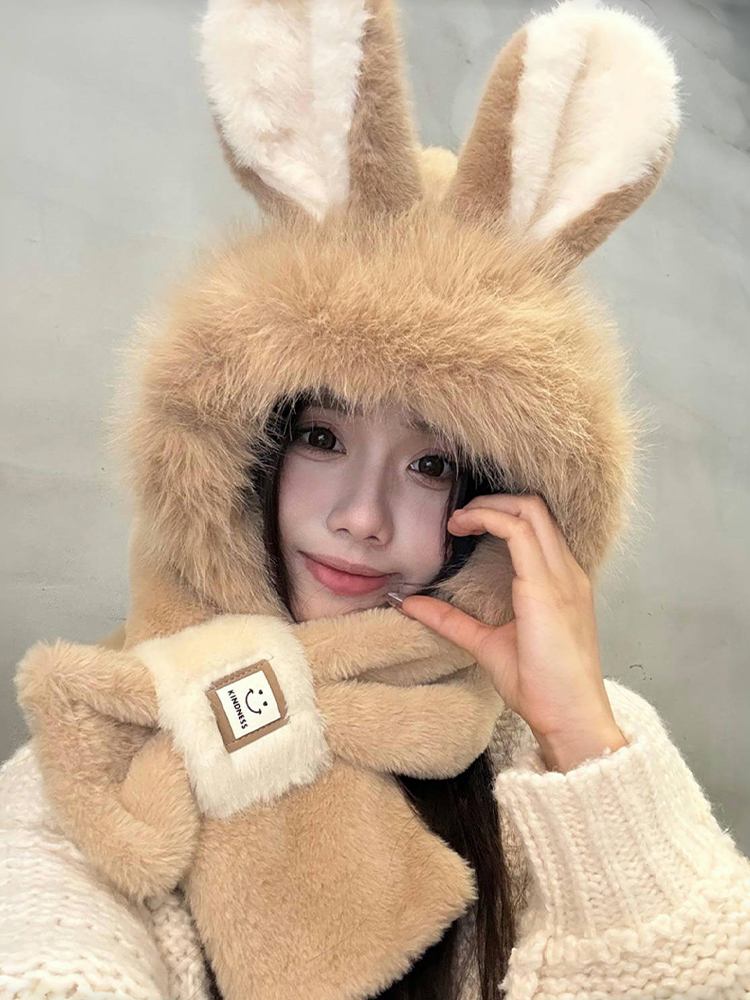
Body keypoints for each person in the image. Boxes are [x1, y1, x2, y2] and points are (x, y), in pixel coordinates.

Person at [2, 0, 750, 998]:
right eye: (323, 439)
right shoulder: (108, 734)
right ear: (243, 452)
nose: (362, 517)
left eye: (432, 466)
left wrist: (581, 741)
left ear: (503, 504)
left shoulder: (556, 746)